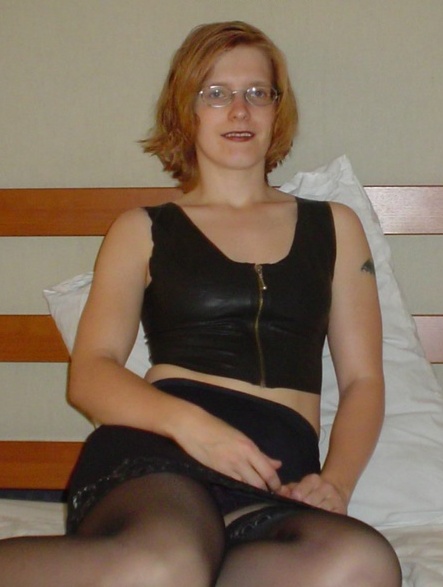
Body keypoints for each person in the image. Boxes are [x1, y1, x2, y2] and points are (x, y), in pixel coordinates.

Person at [0, 20, 401, 586]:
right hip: (160, 457)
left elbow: (363, 380)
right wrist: (195, 428)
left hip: (272, 481)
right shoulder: (143, 229)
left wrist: (336, 481)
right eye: (215, 93)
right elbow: (90, 374)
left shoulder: (334, 226)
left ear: (277, 109)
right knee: (168, 564)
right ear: (185, 111)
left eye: (257, 92)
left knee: (359, 563)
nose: (239, 110)